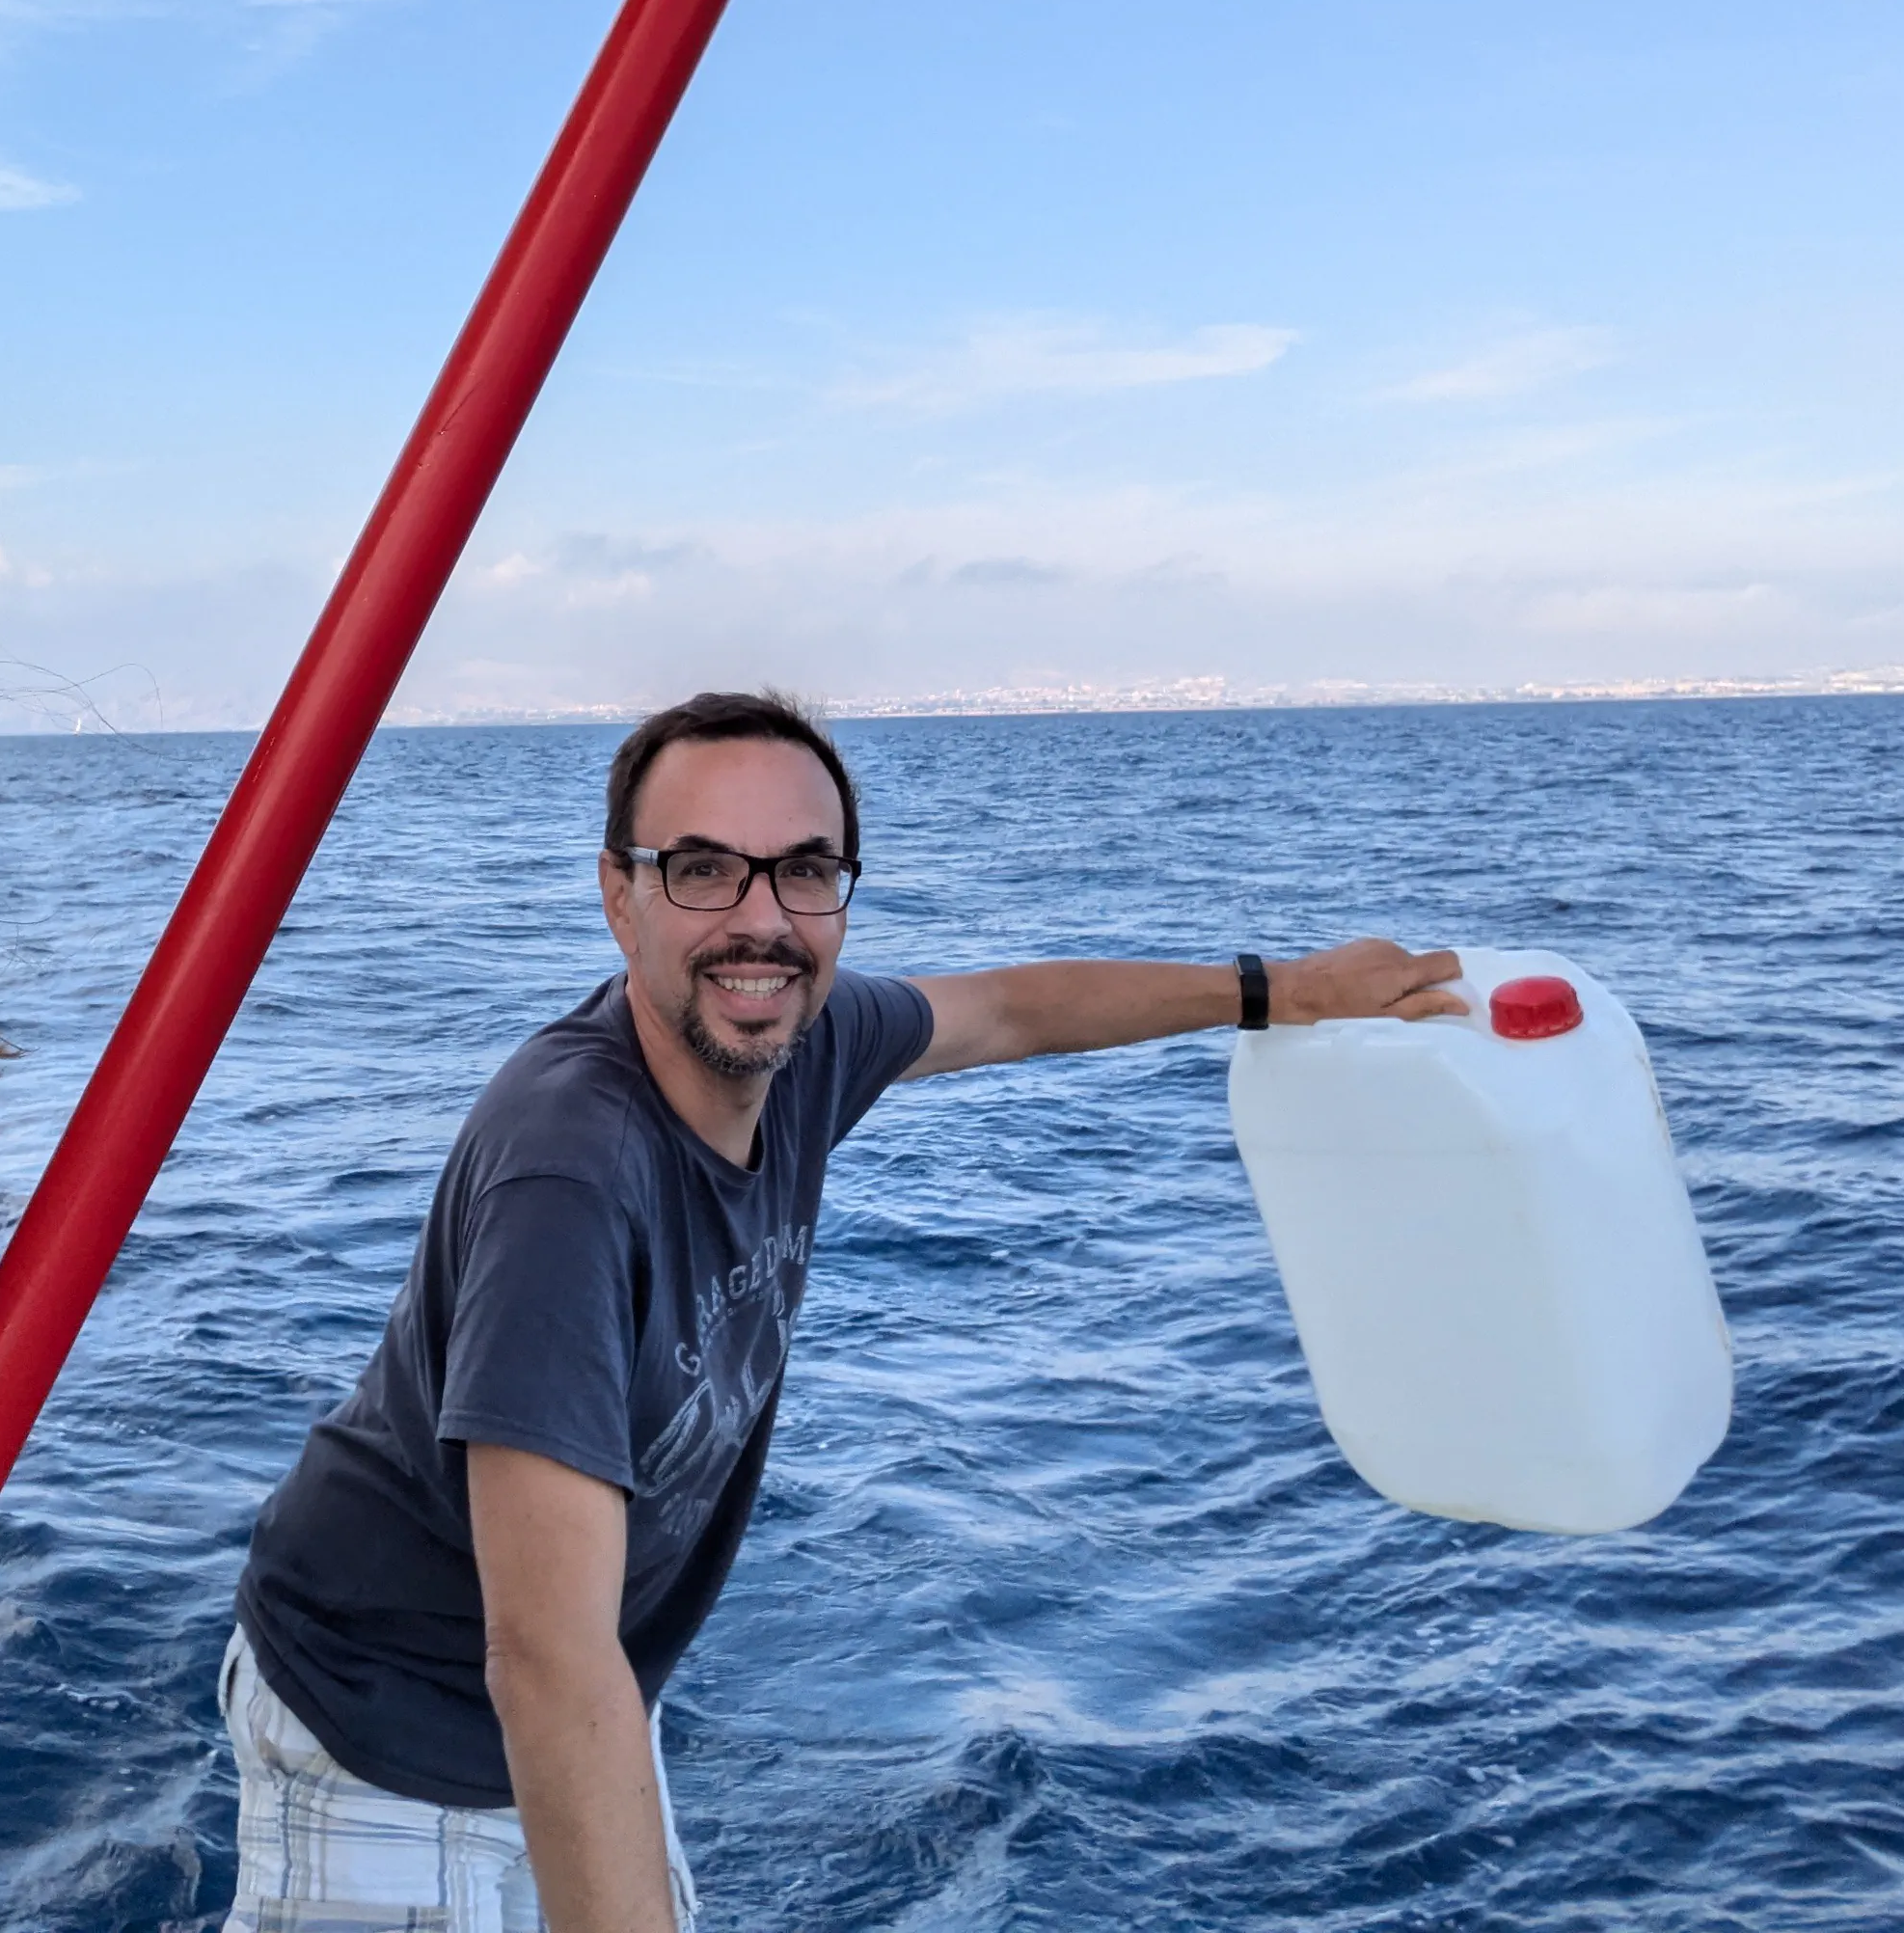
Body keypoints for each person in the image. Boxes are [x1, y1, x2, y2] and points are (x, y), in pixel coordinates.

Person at [224, 690, 1462, 1932]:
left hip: (580, 1696)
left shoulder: (803, 1041)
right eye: (702, 868)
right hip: (381, 1720)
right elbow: (547, 1665)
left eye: (804, 871)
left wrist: (1281, 991)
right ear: (620, 896)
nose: (761, 920)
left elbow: (1011, 1011)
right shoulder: (572, 1177)